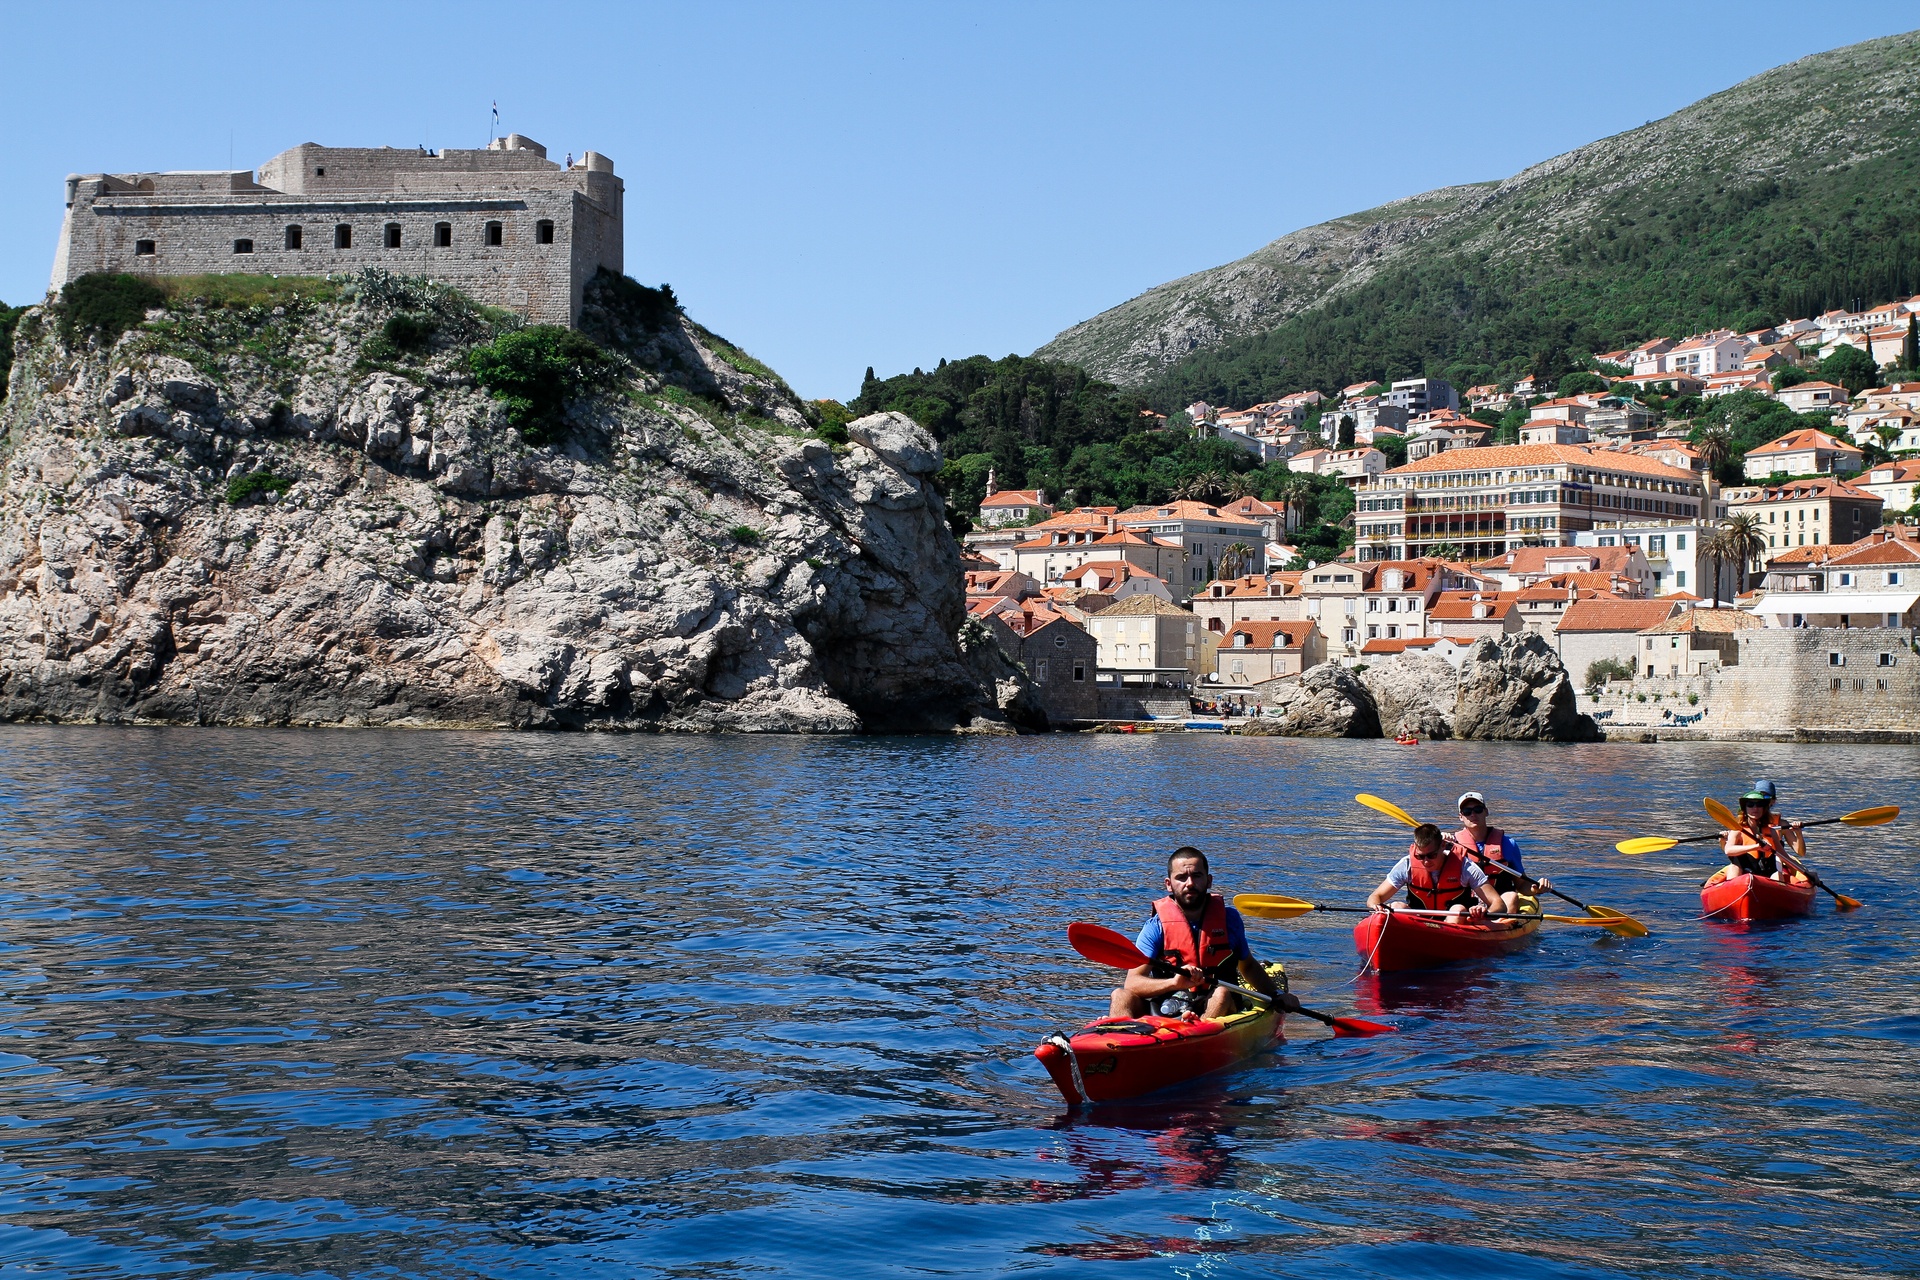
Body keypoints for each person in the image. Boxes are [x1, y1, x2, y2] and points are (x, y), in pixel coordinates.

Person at [1109, 847, 1299, 1020]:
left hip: (1216, 1004)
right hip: (1168, 1007)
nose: (1189, 883)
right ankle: (1114, 1042)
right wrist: (1174, 983)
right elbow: (1132, 983)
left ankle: (1198, 1031)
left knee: (1223, 993)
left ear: (1208, 881)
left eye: (1197, 876)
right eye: (1181, 877)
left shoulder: (1229, 920)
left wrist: (1276, 995)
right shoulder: (1155, 927)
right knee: (1120, 995)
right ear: (1169, 884)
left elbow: (1247, 966)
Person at [1366, 822, 1509, 925]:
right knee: (1396, 906)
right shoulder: (1407, 865)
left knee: (1457, 909)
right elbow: (1375, 897)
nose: (1426, 861)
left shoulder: (1465, 867)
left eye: (1431, 855)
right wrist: (1376, 906)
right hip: (1419, 924)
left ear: (1442, 846)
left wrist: (1482, 913)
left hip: (1454, 925)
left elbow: (1499, 905)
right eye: (1421, 856)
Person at [1452, 791, 1552, 915]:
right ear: (1461, 817)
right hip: (1469, 903)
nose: (1473, 814)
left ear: (1486, 812)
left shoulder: (1508, 844)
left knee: (1511, 897)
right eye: (1467, 812)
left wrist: (1536, 889)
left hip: (1501, 903)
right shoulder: (1452, 845)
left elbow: (1521, 885)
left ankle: (1498, 927)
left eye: (1478, 809)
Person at [1722, 785, 1805, 883]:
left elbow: (1784, 856)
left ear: (1764, 808)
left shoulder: (1771, 831)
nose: (1755, 808)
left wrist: (1805, 872)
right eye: (1750, 805)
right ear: (1745, 808)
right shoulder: (1737, 830)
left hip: (1767, 873)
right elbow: (1728, 850)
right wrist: (1756, 847)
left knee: (1777, 875)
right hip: (1744, 873)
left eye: (1759, 805)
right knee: (1733, 868)